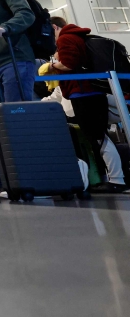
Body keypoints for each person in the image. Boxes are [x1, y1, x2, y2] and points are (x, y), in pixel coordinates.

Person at [50, 22, 128, 192]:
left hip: (83, 93)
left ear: (55, 27)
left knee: (98, 137)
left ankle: (117, 179)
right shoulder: (80, 37)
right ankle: (109, 178)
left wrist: (52, 65)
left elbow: (69, 64)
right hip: (93, 91)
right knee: (99, 136)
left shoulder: (65, 39)